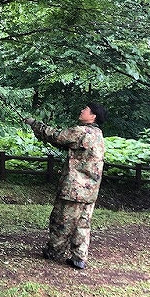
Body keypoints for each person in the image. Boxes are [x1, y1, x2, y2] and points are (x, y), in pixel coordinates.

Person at [24, 103, 107, 270]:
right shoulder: (98, 134)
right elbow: (65, 143)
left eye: (86, 109)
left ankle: (54, 252)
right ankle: (79, 257)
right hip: (90, 190)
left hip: (74, 189)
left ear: (93, 116)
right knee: (82, 224)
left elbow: (56, 135)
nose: (82, 110)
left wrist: (34, 124)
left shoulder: (81, 131)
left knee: (62, 221)